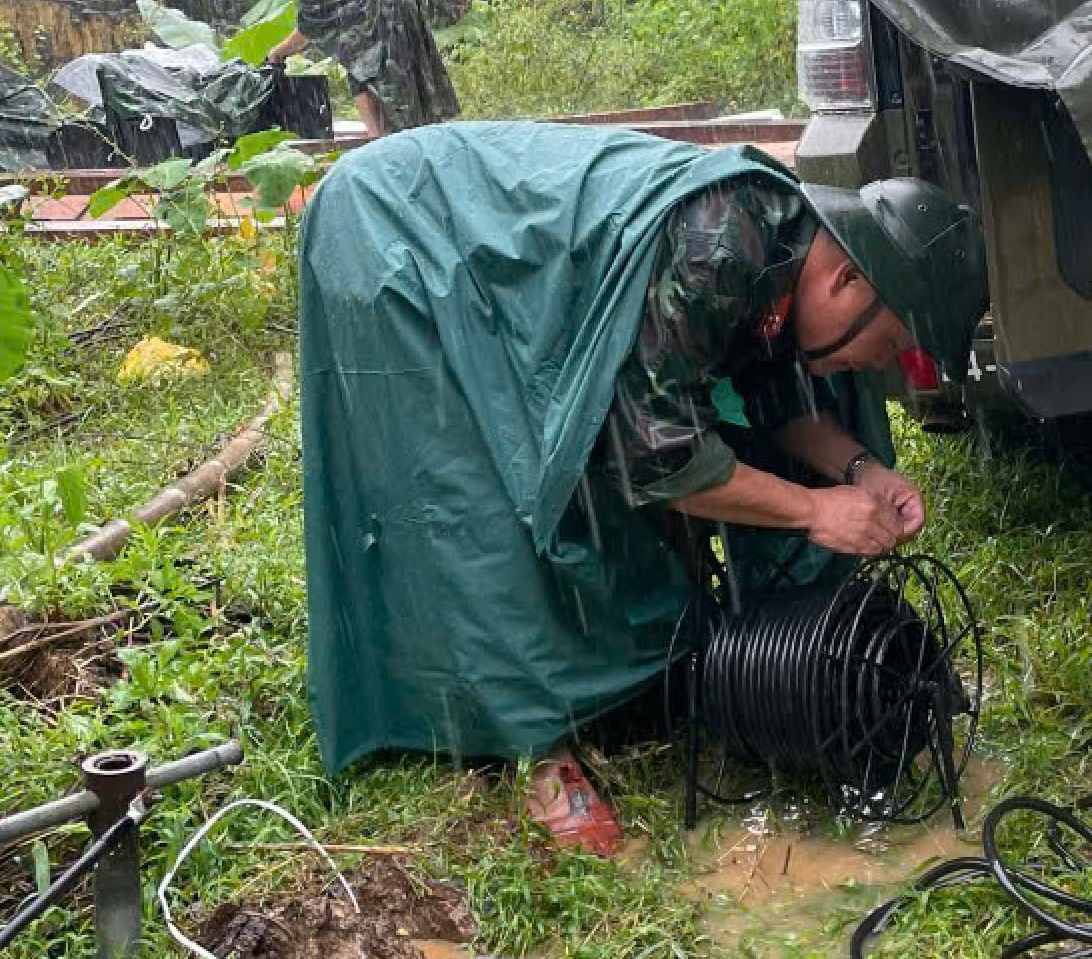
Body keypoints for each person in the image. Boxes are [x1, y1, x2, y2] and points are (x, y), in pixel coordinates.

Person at [298, 120, 987, 853]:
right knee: (469, 491)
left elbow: (771, 392)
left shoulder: (786, 248)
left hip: (485, 251)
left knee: (635, 494)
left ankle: (628, 674)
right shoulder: (719, 248)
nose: (864, 368)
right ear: (847, 278)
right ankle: (536, 750)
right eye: (879, 349)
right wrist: (813, 510)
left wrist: (860, 470)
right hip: (401, 231)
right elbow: (655, 457)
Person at [262, 0, 458, 138]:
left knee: (366, 69)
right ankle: (416, 126)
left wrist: (277, 52)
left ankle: (381, 135)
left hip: (382, 3)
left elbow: (306, 31)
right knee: (407, 66)